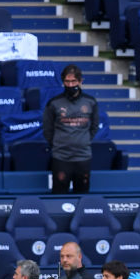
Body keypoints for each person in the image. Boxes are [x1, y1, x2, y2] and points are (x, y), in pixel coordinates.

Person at [43, 63, 98, 194]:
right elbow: (47, 129)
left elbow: (94, 127)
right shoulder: (54, 103)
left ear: (80, 81)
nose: (70, 85)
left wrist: (82, 141)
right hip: (61, 157)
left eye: (73, 81)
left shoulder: (90, 102)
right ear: (63, 82)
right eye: (67, 81)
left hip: (83, 156)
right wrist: (59, 143)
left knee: (82, 195)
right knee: (59, 194)